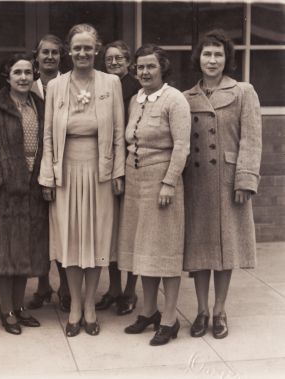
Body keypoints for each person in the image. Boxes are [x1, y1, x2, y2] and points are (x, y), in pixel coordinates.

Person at [38, 24, 126, 337]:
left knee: (97, 238)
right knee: (71, 240)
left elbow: (118, 132)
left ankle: (90, 305)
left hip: (99, 171)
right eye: (77, 48)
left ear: (97, 49)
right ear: (69, 51)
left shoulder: (111, 82)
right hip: (65, 173)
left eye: (88, 48)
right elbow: (48, 135)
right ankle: (75, 304)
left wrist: (117, 172)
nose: (83, 53)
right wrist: (47, 177)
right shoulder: (56, 86)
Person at [183, 29, 262, 339]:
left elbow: (252, 139)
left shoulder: (244, 91)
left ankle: (220, 310)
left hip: (229, 182)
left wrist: (245, 179)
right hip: (196, 183)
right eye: (207, 53)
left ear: (227, 58)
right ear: (198, 58)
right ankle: (201, 310)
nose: (212, 60)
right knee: (200, 248)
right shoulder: (186, 97)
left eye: (218, 54)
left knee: (225, 246)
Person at [118, 45, 191, 346]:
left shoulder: (175, 99)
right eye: (140, 67)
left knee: (165, 252)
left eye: (150, 67)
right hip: (136, 183)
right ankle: (148, 311)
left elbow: (181, 146)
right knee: (143, 251)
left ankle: (170, 319)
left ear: (163, 68)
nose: (144, 72)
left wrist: (169, 183)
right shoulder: (137, 98)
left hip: (162, 184)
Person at [0, 53, 49, 335]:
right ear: (7, 76)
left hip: (34, 185)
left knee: (26, 249)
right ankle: (6, 309)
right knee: (5, 251)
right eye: (17, 72)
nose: (23, 77)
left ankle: (19, 307)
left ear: (34, 75)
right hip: (5, 189)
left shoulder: (40, 105)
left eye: (28, 72)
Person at [96, 40, 142, 315]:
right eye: (109, 59)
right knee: (111, 230)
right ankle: (113, 288)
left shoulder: (135, 89)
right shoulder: (102, 86)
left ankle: (130, 290)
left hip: (130, 163)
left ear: (128, 62)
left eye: (118, 59)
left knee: (130, 229)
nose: (113, 63)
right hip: (106, 163)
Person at [27, 34, 71, 313]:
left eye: (55, 52)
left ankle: (66, 286)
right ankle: (43, 285)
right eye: (45, 52)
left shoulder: (68, 84)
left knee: (62, 227)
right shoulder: (26, 85)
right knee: (39, 228)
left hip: (62, 163)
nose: (50, 57)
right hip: (34, 166)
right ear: (37, 56)